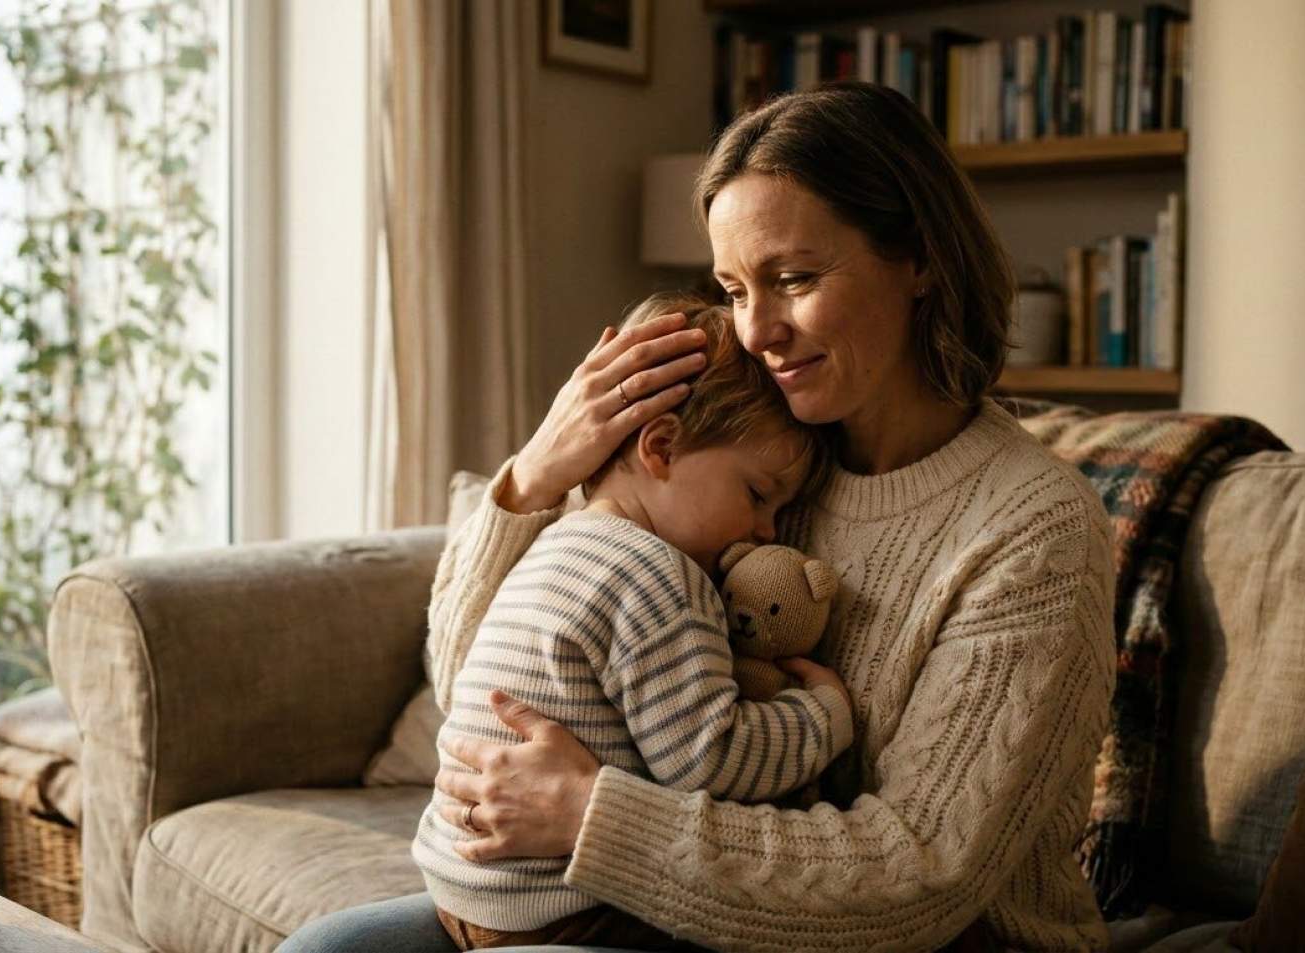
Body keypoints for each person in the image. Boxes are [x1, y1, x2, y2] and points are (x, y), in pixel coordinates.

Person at [280, 82, 1116, 953]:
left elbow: (916, 874)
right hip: (677, 909)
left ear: (919, 260)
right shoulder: (754, 468)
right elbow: (486, 702)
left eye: (792, 279)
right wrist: (535, 478)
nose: (756, 331)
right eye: (732, 287)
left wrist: (588, 814)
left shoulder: (1032, 530)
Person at [416, 291, 852, 952]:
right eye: (758, 495)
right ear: (662, 446)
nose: (765, 531)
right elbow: (712, 759)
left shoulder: (555, 542)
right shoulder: (659, 578)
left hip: (459, 885)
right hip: (556, 906)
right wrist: (820, 715)